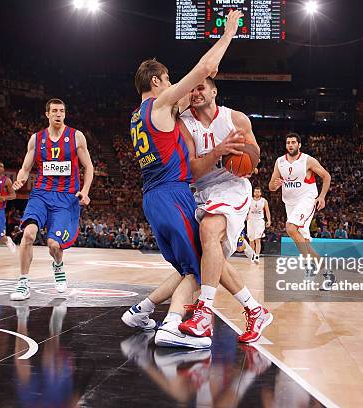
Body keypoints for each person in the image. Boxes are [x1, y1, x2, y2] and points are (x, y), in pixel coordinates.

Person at [121, 10, 243, 349]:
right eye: (169, 78)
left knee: (185, 264)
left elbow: (197, 88)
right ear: (157, 82)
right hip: (173, 194)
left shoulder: (137, 116)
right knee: (199, 267)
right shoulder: (161, 103)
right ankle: (174, 325)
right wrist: (229, 32)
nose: (173, 83)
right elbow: (205, 69)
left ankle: (141, 310)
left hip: (152, 198)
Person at [177, 76, 273, 344]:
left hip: (232, 188)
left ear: (214, 90)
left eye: (201, 87)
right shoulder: (185, 123)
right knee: (211, 255)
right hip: (202, 190)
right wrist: (219, 151)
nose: (196, 92)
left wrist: (243, 158)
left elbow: (254, 156)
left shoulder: (237, 119)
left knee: (209, 230)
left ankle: (204, 313)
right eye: (192, 89)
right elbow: (193, 170)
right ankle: (255, 310)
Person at [10, 98, 94, 300]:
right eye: (54, 111)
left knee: (53, 245)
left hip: (66, 197)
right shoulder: (36, 139)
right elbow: (25, 168)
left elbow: (89, 167)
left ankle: (58, 265)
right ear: (47, 114)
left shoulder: (76, 137)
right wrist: (21, 179)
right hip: (41, 194)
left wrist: (85, 191)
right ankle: (23, 282)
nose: (58, 114)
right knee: (28, 234)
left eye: (62, 111)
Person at [268, 133, 334, 288]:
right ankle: (328, 274)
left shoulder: (307, 160)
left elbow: (326, 176)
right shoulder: (280, 162)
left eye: (293, 142)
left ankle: (309, 268)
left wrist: (322, 197)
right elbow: (271, 186)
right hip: (289, 203)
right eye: (288, 143)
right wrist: (275, 185)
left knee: (290, 227)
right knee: (303, 242)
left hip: (307, 199)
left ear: (299, 145)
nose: (290, 145)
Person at [246, 186, 271, 262]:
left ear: (260, 193)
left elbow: (267, 211)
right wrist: (246, 215)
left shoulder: (264, 201)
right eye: (255, 191)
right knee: (251, 239)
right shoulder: (249, 200)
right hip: (250, 220)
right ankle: (252, 255)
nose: (256, 193)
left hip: (259, 221)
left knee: (257, 239)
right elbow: (245, 209)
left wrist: (269, 220)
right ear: (253, 192)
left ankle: (257, 256)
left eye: (258, 192)